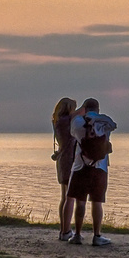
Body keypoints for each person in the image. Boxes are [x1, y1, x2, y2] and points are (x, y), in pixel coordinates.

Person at [66, 98, 117, 246]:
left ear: (84, 109)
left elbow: (73, 131)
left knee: (80, 202)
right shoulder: (105, 122)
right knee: (97, 202)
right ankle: (97, 236)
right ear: (98, 109)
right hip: (99, 167)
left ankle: (77, 234)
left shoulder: (77, 123)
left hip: (80, 166)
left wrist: (81, 114)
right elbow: (113, 126)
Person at [50, 98, 78, 240]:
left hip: (63, 160)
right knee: (69, 197)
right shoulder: (65, 121)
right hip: (68, 160)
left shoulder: (58, 121)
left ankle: (64, 230)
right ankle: (65, 230)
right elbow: (80, 113)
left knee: (65, 196)